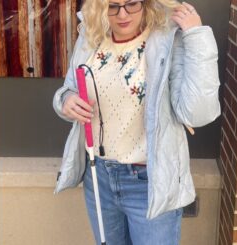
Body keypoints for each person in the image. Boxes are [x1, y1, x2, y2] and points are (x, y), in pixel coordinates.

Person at [53, 0, 220, 244]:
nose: (122, 14)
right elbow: (69, 89)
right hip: (98, 175)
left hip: (149, 182)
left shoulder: (167, 40)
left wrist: (197, 36)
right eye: (113, 6)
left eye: (131, 4)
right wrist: (66, 100)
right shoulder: (91, 36)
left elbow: (197, 114)